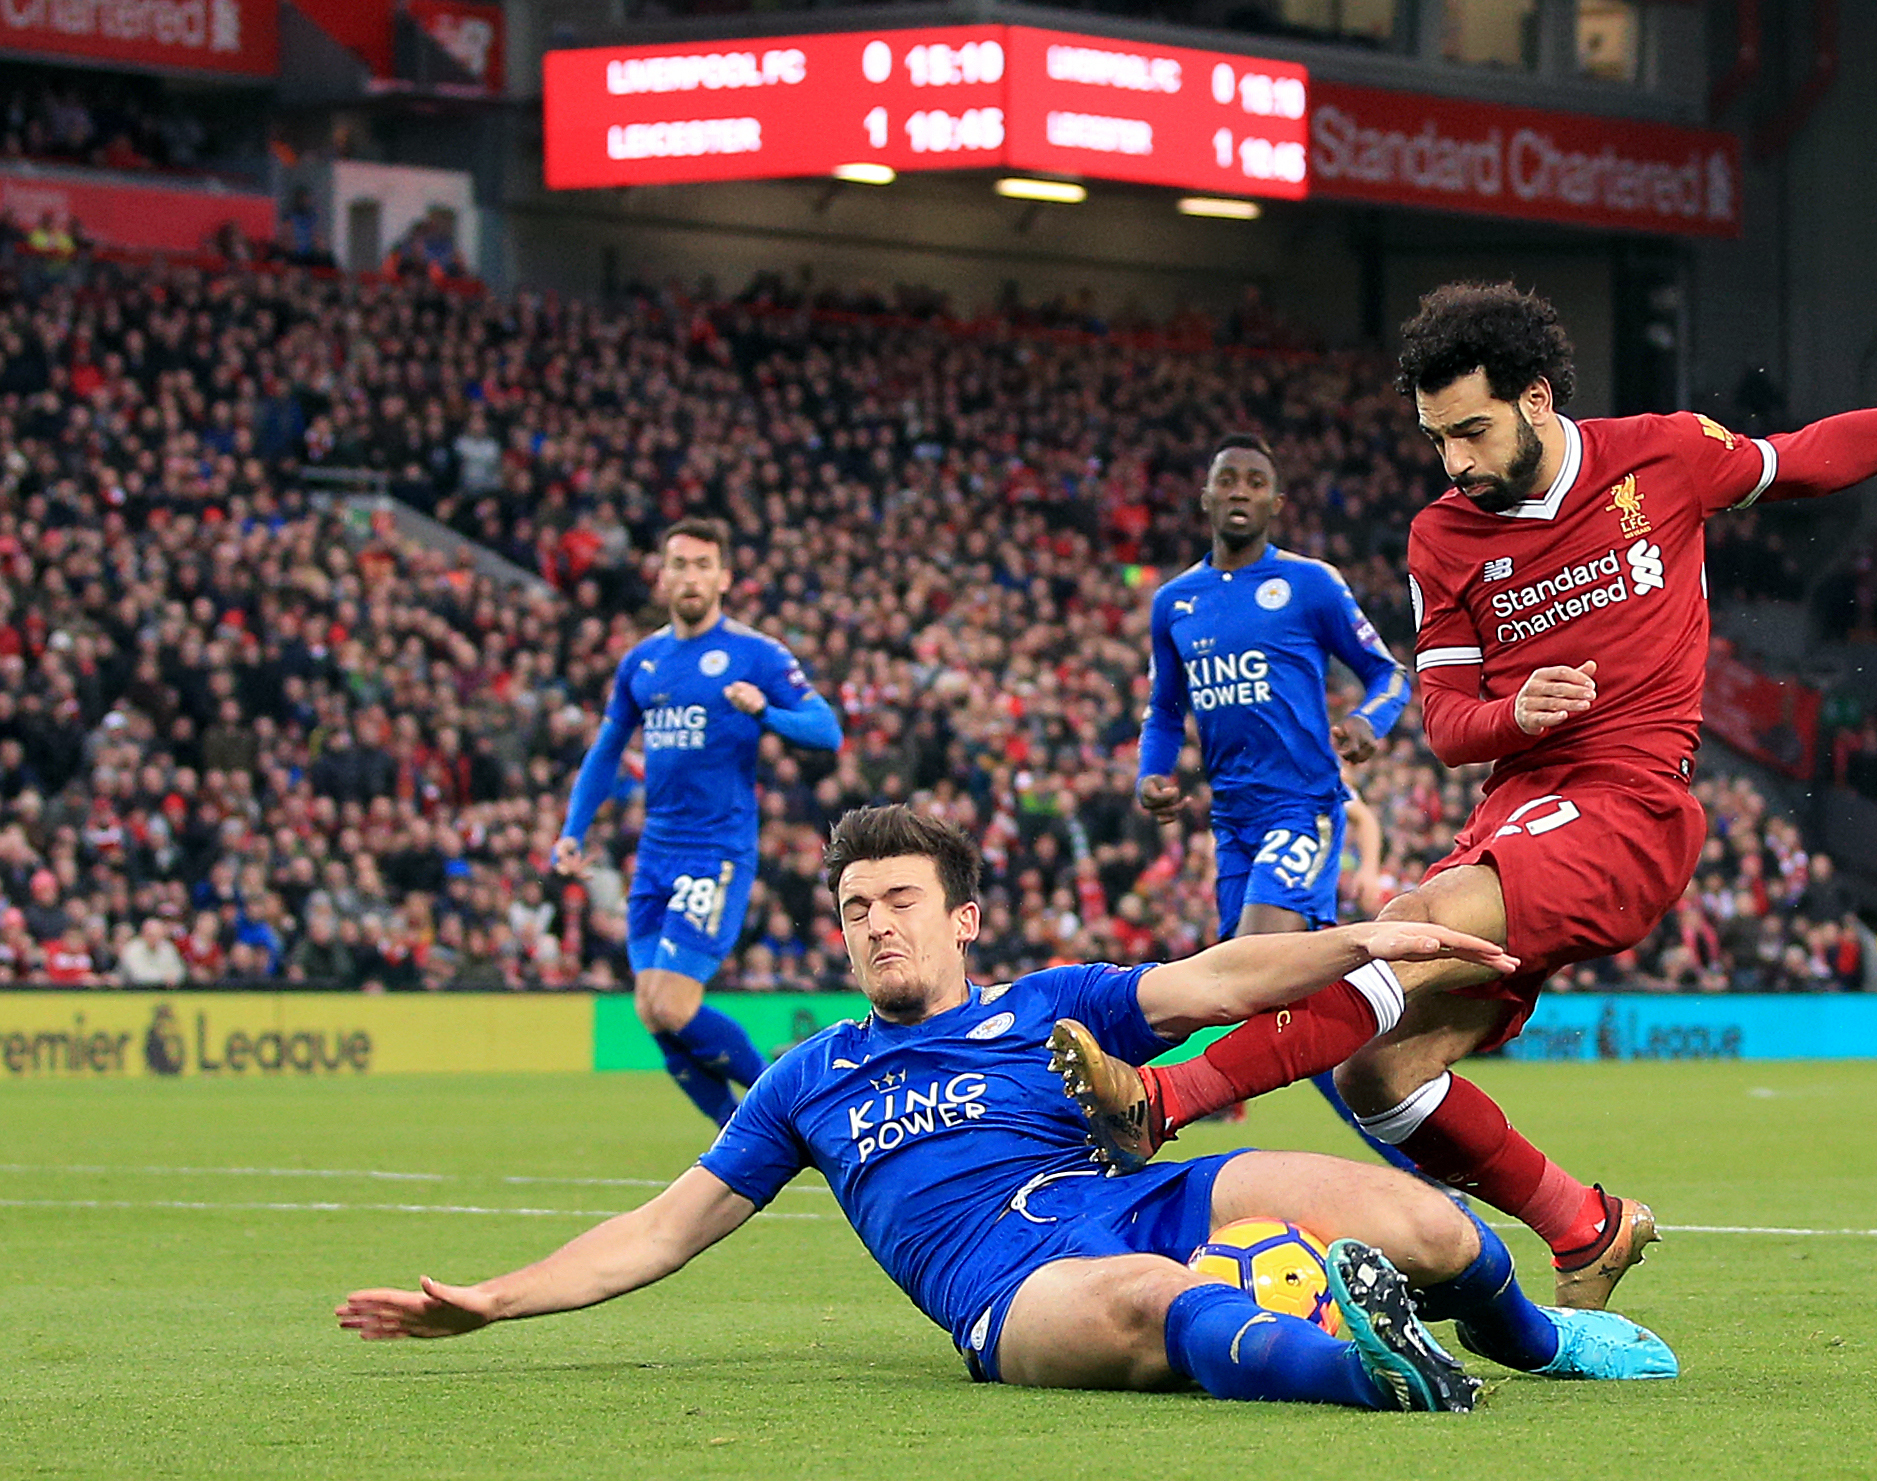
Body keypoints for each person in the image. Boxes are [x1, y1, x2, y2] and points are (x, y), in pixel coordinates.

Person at [1058, 282, 1877, 1308]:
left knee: (1408, 926)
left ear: (1536, 397)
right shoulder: (1442, 536)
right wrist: (1513, 716)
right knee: (1376, 1077)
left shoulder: (1661, 454)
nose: (1455, 462)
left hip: (1631, 806)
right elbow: (1441, 721)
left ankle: (1164, 1098)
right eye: (1436, 439)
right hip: (1518, 808)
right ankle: (1584, 1226)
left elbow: (1815, 454)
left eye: (1471, 430)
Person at [337, 806, 1679, 1410]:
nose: (875, 925)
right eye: (855, 907)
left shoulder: (1052, 1004)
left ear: (962, 917)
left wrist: (1365, 941)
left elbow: (1216, 975)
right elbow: (662, 1228)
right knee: (1149, 1310)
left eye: (900, 900)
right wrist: (492, 1300)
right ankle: (1376, 1375)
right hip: (1005, 1282)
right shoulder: (810, 1078)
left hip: (1137, 1191)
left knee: (1415, 1217)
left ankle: (1534, 1338)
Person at [1136, 433, 1411, 1148]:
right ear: (1205, 497)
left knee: (1251, 966)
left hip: (1304, 807)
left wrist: (1366, 721)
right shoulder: (1175, 603)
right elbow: (1166, 709)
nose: (1239, 491)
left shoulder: (1311, 584)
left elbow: (1389, 674)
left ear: (1275, 502)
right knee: (1276, 1003)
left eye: (1255, 481)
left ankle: (1155, 1106)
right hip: (1232, 822)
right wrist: (1152, 774)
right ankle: (1416, 1146)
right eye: (1227, 479)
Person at [553, 518, 843, 1126]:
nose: (691, 576)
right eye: (679, 564)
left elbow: (827, 730)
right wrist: (573, 830)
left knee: (675, 1003)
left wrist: (766, 711)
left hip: (717, 849)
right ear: (661, 578)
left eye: (703, 565)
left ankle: (790, 1110)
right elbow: (606, 750)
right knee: (650, 1010)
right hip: (656, 854)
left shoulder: (755, 654)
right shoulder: (643, 662)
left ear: (724, 578)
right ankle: (737, 1136)